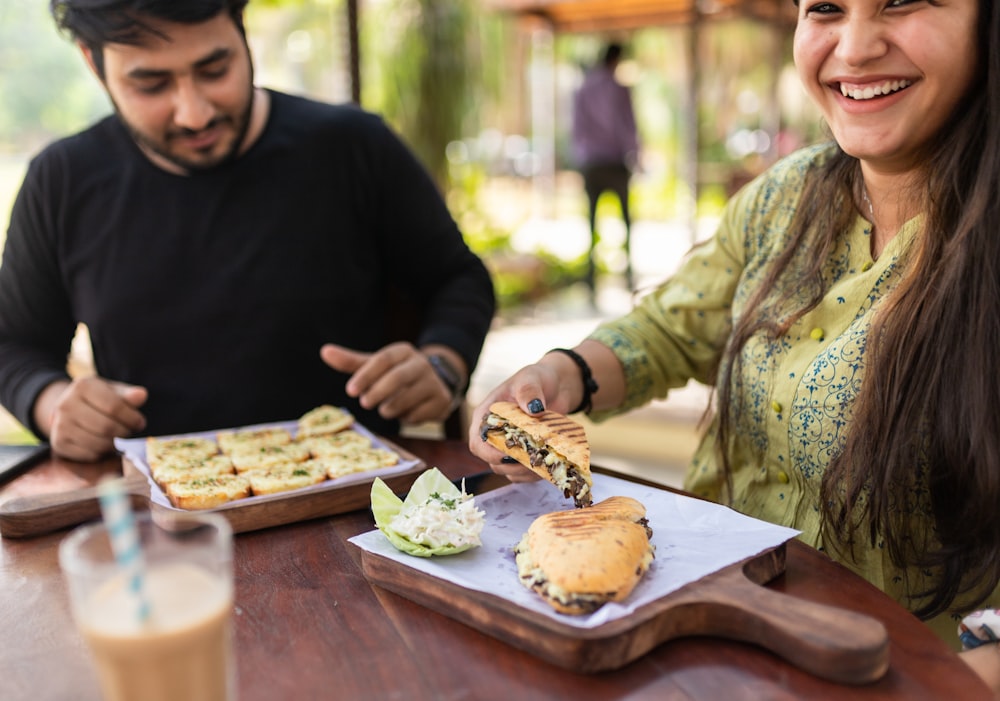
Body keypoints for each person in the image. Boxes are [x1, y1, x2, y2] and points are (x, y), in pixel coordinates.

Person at [470, 0, 1000, 691]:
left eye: (902, 2)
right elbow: (668, 327)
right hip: (700, 636)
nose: (857, 47)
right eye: (827, 10)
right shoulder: (785, 197)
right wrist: (558, 375)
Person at [0, 0, 496, 462]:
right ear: (94, 63)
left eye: (215, 70)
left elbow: (458, 278)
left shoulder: (353, 146)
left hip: (352, 493)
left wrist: (441, 363)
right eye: (151, 84)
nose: (194, 113)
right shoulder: (62, 181)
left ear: (243, 34)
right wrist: (52, 402)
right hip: (159, 517)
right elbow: (14, 344)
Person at [571, 42, 640, 296]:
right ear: (616, 60)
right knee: (625, 219)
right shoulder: (619, 90)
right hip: (615, 162)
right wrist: (635, 156)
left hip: (591, 163)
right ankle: (628, 272)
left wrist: (582, 158)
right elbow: (628, 127)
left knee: (591, 220)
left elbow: (577, 130)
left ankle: (590, 275)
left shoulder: (582, 90)